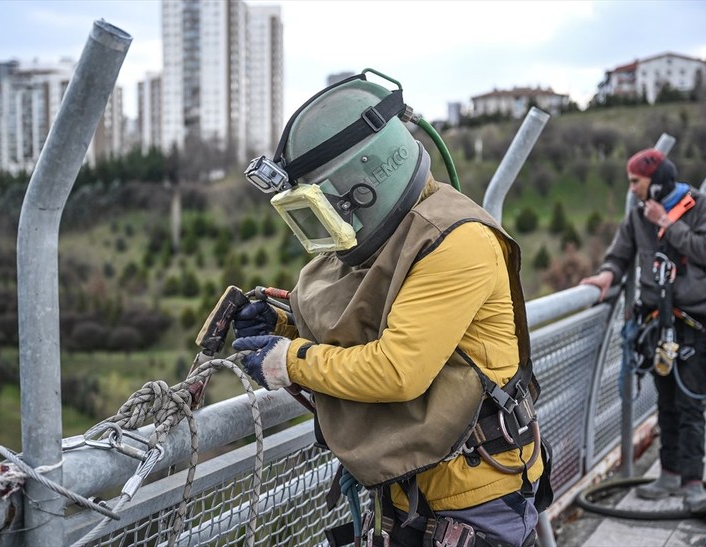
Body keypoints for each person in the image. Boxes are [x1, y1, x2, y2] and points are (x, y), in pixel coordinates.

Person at [231, 70, 549, 547]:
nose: (334, 227)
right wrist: (284, 323)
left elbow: (397, 369)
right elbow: (371, 322)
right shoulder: (396, 234)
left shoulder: (458, 242)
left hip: (473, 498)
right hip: (411, 491)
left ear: (364, 186)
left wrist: (289, 360)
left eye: (328, 209)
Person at [580, 148, 706, 513]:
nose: (631, 190)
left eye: (635, 182)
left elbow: (705, 251)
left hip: (695, 323)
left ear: (656, 185)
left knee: (691, 404)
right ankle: (670, 473)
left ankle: (694, 484)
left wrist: (668, 224)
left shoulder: (702, 206)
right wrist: (607, 276)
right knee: (667, 403)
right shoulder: (637, 218)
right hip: (657, 325)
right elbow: (620, 254)